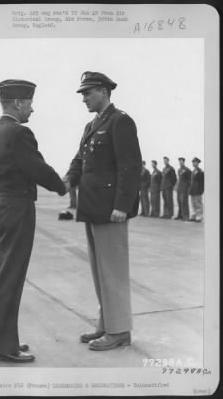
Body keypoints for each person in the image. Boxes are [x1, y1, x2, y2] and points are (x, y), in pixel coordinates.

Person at [0, 79, 66, 363]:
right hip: (16, 208)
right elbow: (37, 168)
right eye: (29, 103)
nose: (32, 109)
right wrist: (62, 186)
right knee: (10, 277)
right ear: (18, 103)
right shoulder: (19, 133)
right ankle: (4, 347)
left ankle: (0, 339)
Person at [64, 71, 142, 351]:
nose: (83, 98)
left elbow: (131, 166)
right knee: (100, 270)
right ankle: (106, 323)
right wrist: (66, 181)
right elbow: (80, 158)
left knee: (113, 271)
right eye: (83, 94)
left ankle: (119, 331)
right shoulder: (92, 125)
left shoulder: (120, 121)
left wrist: (122, 206)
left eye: (87, 93)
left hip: (111, 209)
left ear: (103, 91)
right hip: (93, 206)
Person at [189, 157, 204, 222]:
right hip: (192, 190)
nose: (193, 163)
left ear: (198, 163)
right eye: (193, 162)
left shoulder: (200, 172)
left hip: (198, 191)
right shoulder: (193, 171)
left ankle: (199, 217)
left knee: (198, 204)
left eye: (195, 162)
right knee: (193, 204)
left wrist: (201, 191)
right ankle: (194, 216)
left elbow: (202, 182)